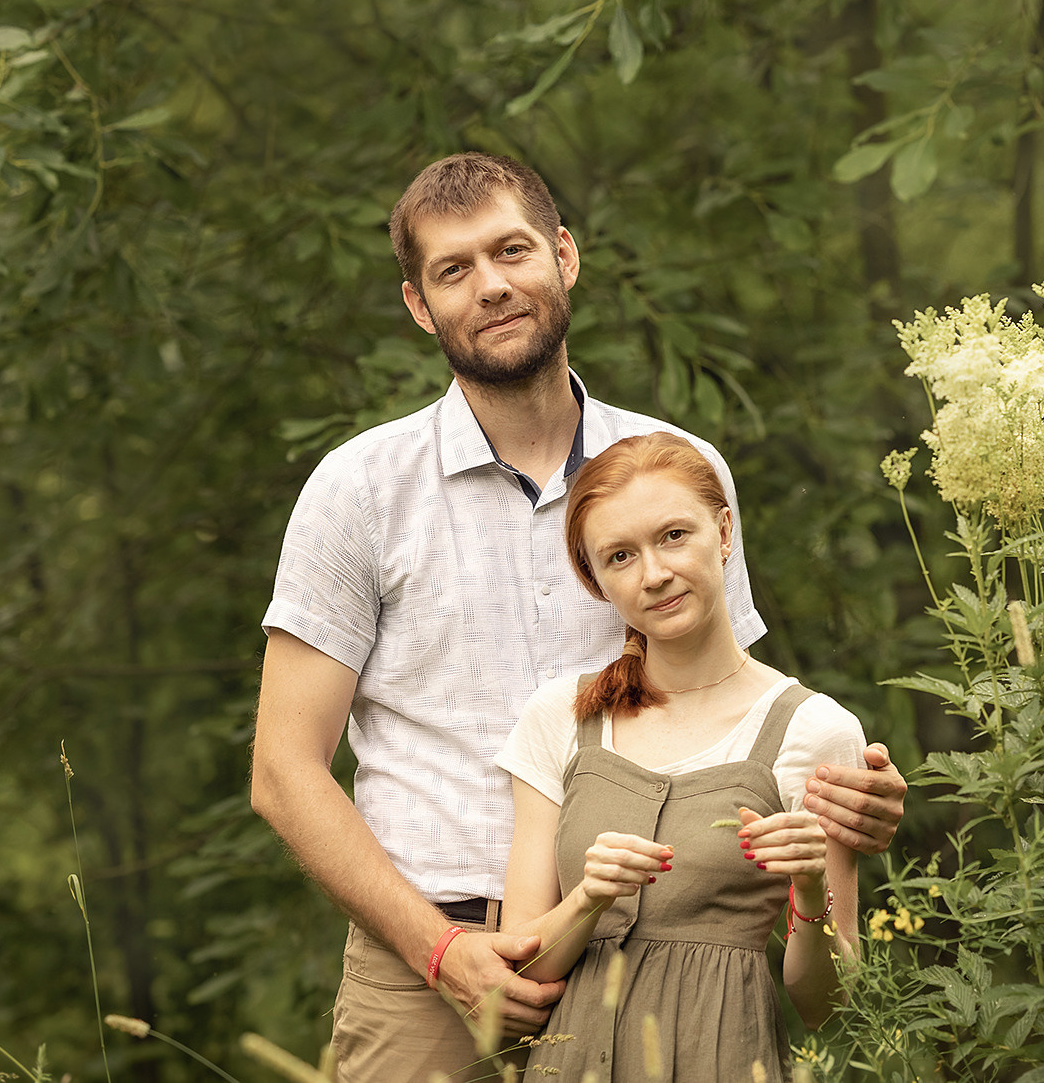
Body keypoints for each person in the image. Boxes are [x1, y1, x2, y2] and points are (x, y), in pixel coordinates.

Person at [249, 152, 907, 1083]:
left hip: (663, 953)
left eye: (511, 249)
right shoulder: (358, 492)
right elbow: (283, 770)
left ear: (564, 254)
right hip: (427, 960)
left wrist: (841, 799)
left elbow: (737, 711)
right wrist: (440, 951)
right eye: (453, 269)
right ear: (417, 304)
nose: (491, 285)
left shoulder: (672, 475)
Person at [495, 433, 863, 1082]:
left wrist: (809, 889)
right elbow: (518, 974)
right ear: (597, 579)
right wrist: (587, 898)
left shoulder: (815, 730)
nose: (654, 573)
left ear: (724, 532)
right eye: (620, 556)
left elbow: (829, 1007)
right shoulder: (561, 716)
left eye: (673, 535)